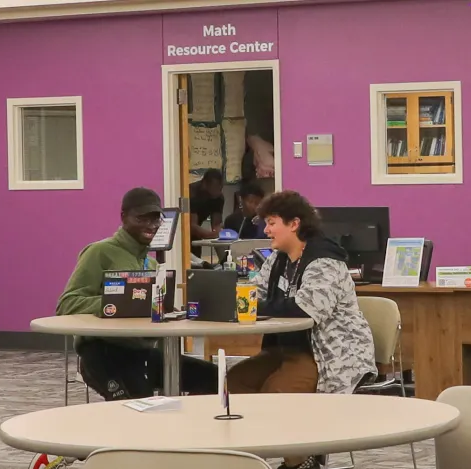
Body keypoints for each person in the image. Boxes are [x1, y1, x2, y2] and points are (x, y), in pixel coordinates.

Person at [226, 190, 377, 469]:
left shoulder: (325, 261)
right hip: (288, 348)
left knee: (278, 394)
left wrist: (257, 306)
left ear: (294, 224)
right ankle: (246, 458)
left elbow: (309, 308)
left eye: (272, 223)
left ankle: (300, 462)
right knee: (235, 382)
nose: (266, 230)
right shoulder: (277, 259)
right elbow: (254, 294)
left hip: (329, 354)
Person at [56, 187, 218, 400]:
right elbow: (66, 305)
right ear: (124, 217)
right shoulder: (99, 252)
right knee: (135, 409)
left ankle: (184, 426)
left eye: (155, 219)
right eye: (142, 218)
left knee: (216, 377)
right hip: (103, 353)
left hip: (140, 353)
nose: (151, 225)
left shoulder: (151, 263)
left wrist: (172, 312)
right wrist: (117, 303)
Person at [189, 168, 225, 256]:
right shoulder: (192, 193)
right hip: (184, 231)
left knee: (198, 260)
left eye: (220, 188)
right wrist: (211, 235)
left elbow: (216, 224)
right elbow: (191, 226)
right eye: (215, 187)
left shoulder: (219, 198)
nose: (219, 191)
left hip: (197, 233)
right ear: (205, 184)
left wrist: (218, 232)